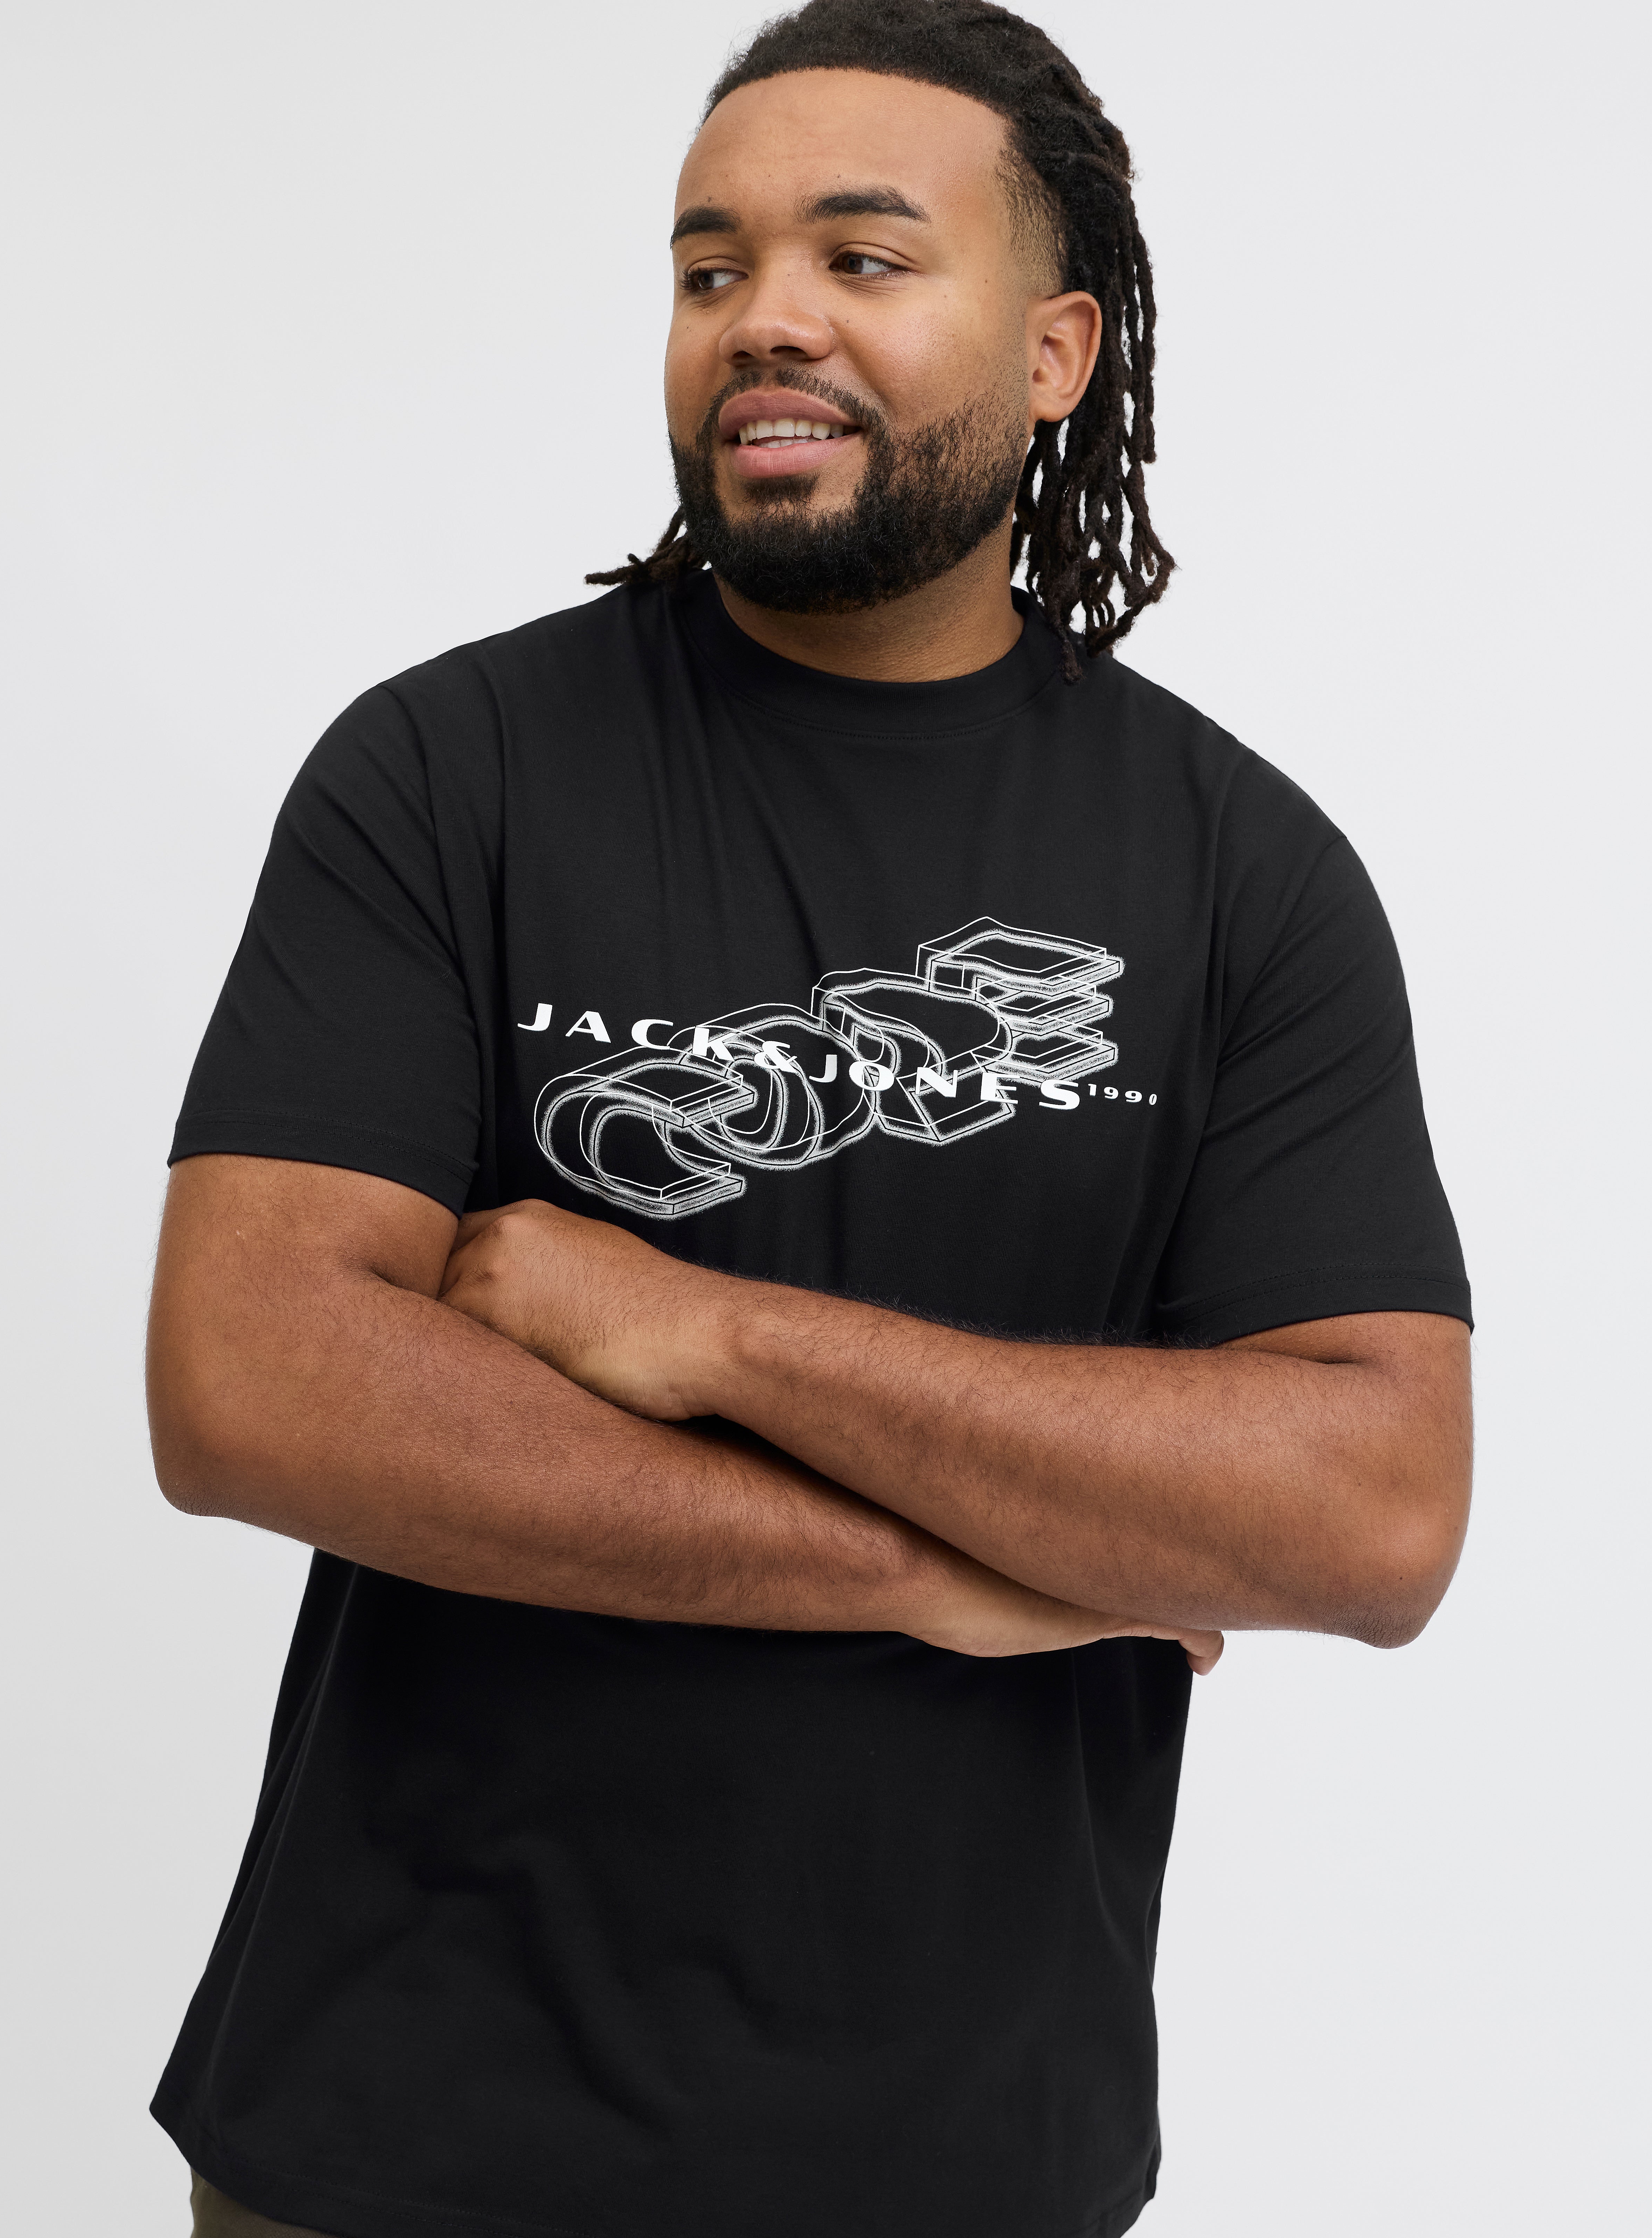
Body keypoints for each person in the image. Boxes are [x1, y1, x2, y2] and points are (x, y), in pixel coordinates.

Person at [146, 3, 1473, 2233]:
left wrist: (712, 1331)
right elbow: (249, 1377)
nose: (764, 316)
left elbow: (1373, 1504)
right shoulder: (448, 773)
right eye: (711, 265)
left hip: (971, 2161)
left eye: (862, 258)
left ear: (1055, 353)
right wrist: (930, 1573)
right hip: (396, 2143)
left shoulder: (1242, 871)